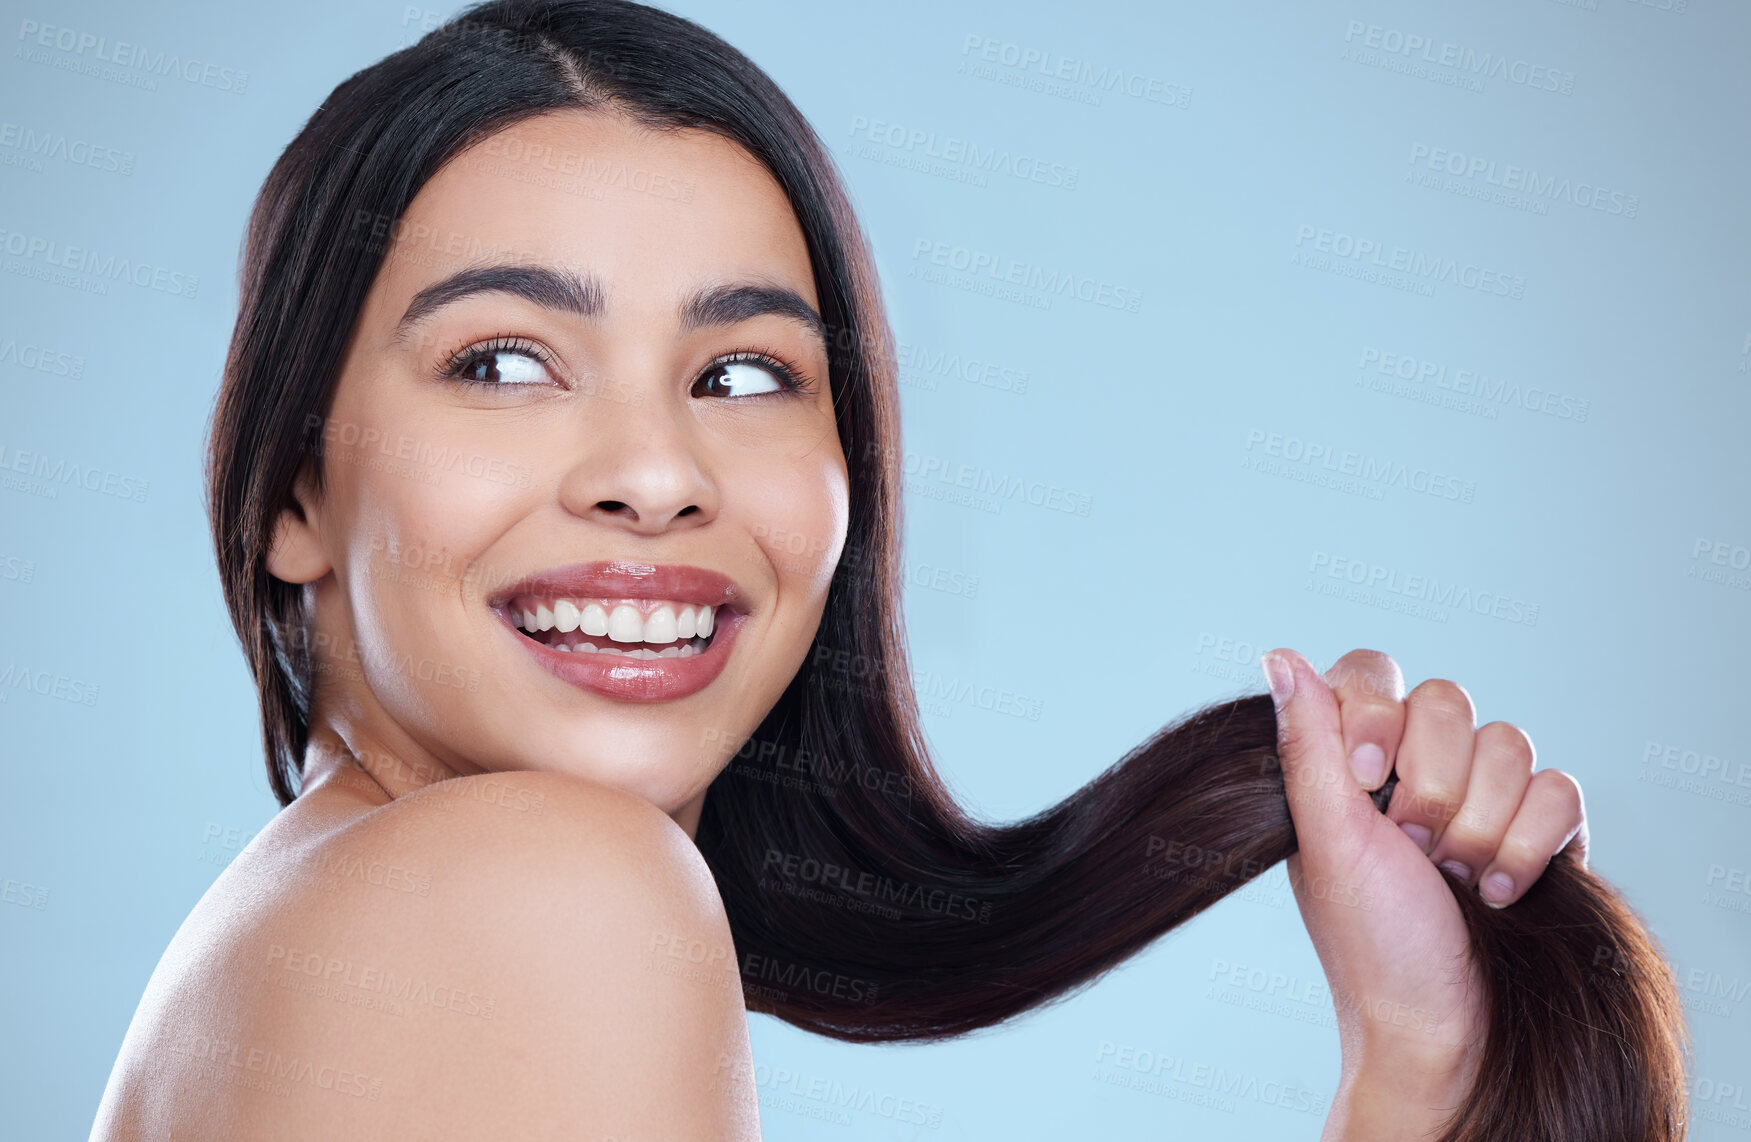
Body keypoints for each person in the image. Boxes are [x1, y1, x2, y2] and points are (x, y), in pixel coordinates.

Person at [90, 3, 1680, 1139]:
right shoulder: (539, 886)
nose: (654, 474)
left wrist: (1419, 1067)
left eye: (743, 375)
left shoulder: (298, 940)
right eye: (504, 363)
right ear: (293, 482)